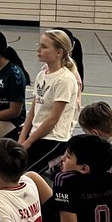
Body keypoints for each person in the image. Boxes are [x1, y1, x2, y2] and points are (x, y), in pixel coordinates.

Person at [18, 29, 82, 175]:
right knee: (2, 156)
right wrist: (22, 137)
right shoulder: (42, 75)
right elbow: (33, 110)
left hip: (54, 138)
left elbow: (53, 119)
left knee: (21, 173)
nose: (38, 50)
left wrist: (28, 142)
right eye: (39, 45)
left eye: (44, 47)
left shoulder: (64, 79)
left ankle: (58, 158)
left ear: (59, 52)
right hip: (37, 132)